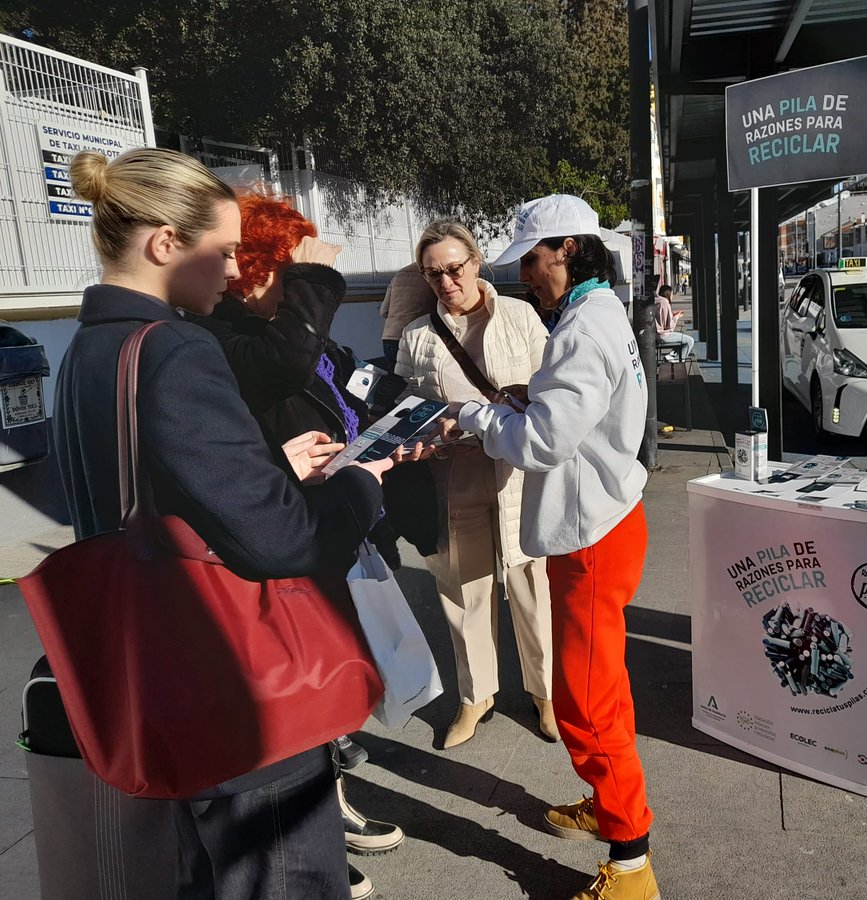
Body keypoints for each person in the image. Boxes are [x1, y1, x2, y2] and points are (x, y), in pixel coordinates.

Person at [56, 147, 427, 900]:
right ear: (164, 243)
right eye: (222, 252)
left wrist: (268, 471)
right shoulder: (177, 349)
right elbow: (280, 540)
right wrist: (357, 480)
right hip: (230, 683)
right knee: (281, 879)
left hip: (149, 671)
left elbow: (153, 497)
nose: (231, 273)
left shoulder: (91, 348)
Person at [185, 192, 409, 896]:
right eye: (284, 272)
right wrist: (312, 286)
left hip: (328, 517)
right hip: (279, 540)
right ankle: (313, 834)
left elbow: (333, 379)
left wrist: (393, 425)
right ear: (255, 270)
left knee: (332, 685)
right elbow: (283, 365)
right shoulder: (227, 336)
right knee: (300, 691)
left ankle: (330, 809)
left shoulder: (280, 328)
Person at [439, 195, 659, 900]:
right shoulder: (599, 310)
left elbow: (542, 443)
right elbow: (577, 407)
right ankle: (612, 807)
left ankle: (631, 866)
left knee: (587, 707)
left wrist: (478, 415)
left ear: (566, 249)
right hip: (607, 518)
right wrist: (528, 393)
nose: (524, 274)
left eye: (530, 259)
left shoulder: (580, 327)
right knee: (598, 693)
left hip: (591, 533)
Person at [395, 220, 557, 749]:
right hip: (452, 473)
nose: (446, 281)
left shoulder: (519, 316)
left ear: (477, 261)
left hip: (516, 471)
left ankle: (545, 693)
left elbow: (549, 392)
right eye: (433, 273)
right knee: (463, 588)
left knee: (531, 583)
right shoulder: (419, 335)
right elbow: (406, 408)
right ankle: (476, 696)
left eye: (454, 268)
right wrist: (424, 433)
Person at [380, 262, 435, 373]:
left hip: (390, 338)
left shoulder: (399, 275)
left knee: (396, 381)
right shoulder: (432, 276)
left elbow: (384, 311)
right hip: (417, 337)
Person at [654, 283, 694, 363]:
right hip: (664, 335)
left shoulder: (656, 301)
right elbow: (669, 326)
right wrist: (677, 317)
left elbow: (662, 318)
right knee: (690, 341)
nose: (672, 296)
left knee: (681, 338)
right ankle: (678, 360)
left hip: (656, 334)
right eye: (672, 294)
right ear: (668, 294)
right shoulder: (665, 302)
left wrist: (673, 314)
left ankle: (671, 356)